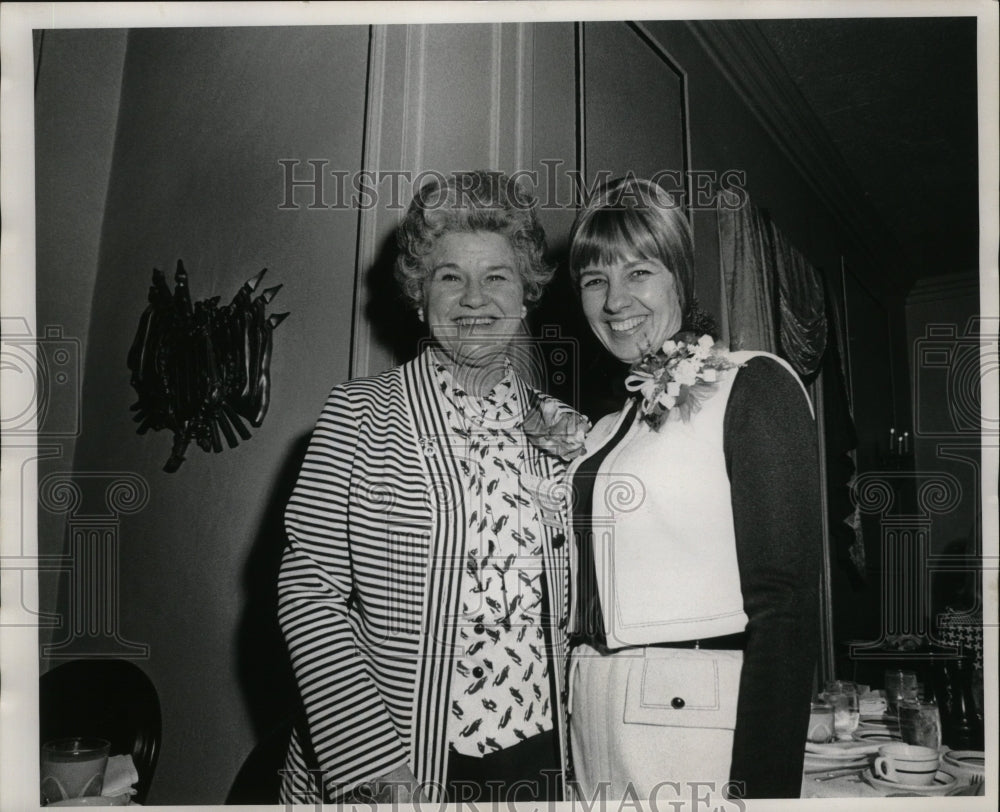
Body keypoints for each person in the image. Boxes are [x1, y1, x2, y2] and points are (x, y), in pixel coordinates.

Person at [277, 170, 587, 805]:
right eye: (451, 277)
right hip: (406, 758)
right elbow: (310, 595)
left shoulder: (564, 428)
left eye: (497, 276)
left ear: (525, 294)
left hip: (543, 752)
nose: (475, 298)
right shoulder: (359, 414)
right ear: (421, 297)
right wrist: (376, 770)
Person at [563, 176, 822, 800]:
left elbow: (785, 608)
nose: (615, 300)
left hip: (692, 727)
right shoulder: (602, 428)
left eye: (640, 272)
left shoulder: (752, 385)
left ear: (679, 273)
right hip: (588, 721)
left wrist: (761, 791)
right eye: (595, 280)